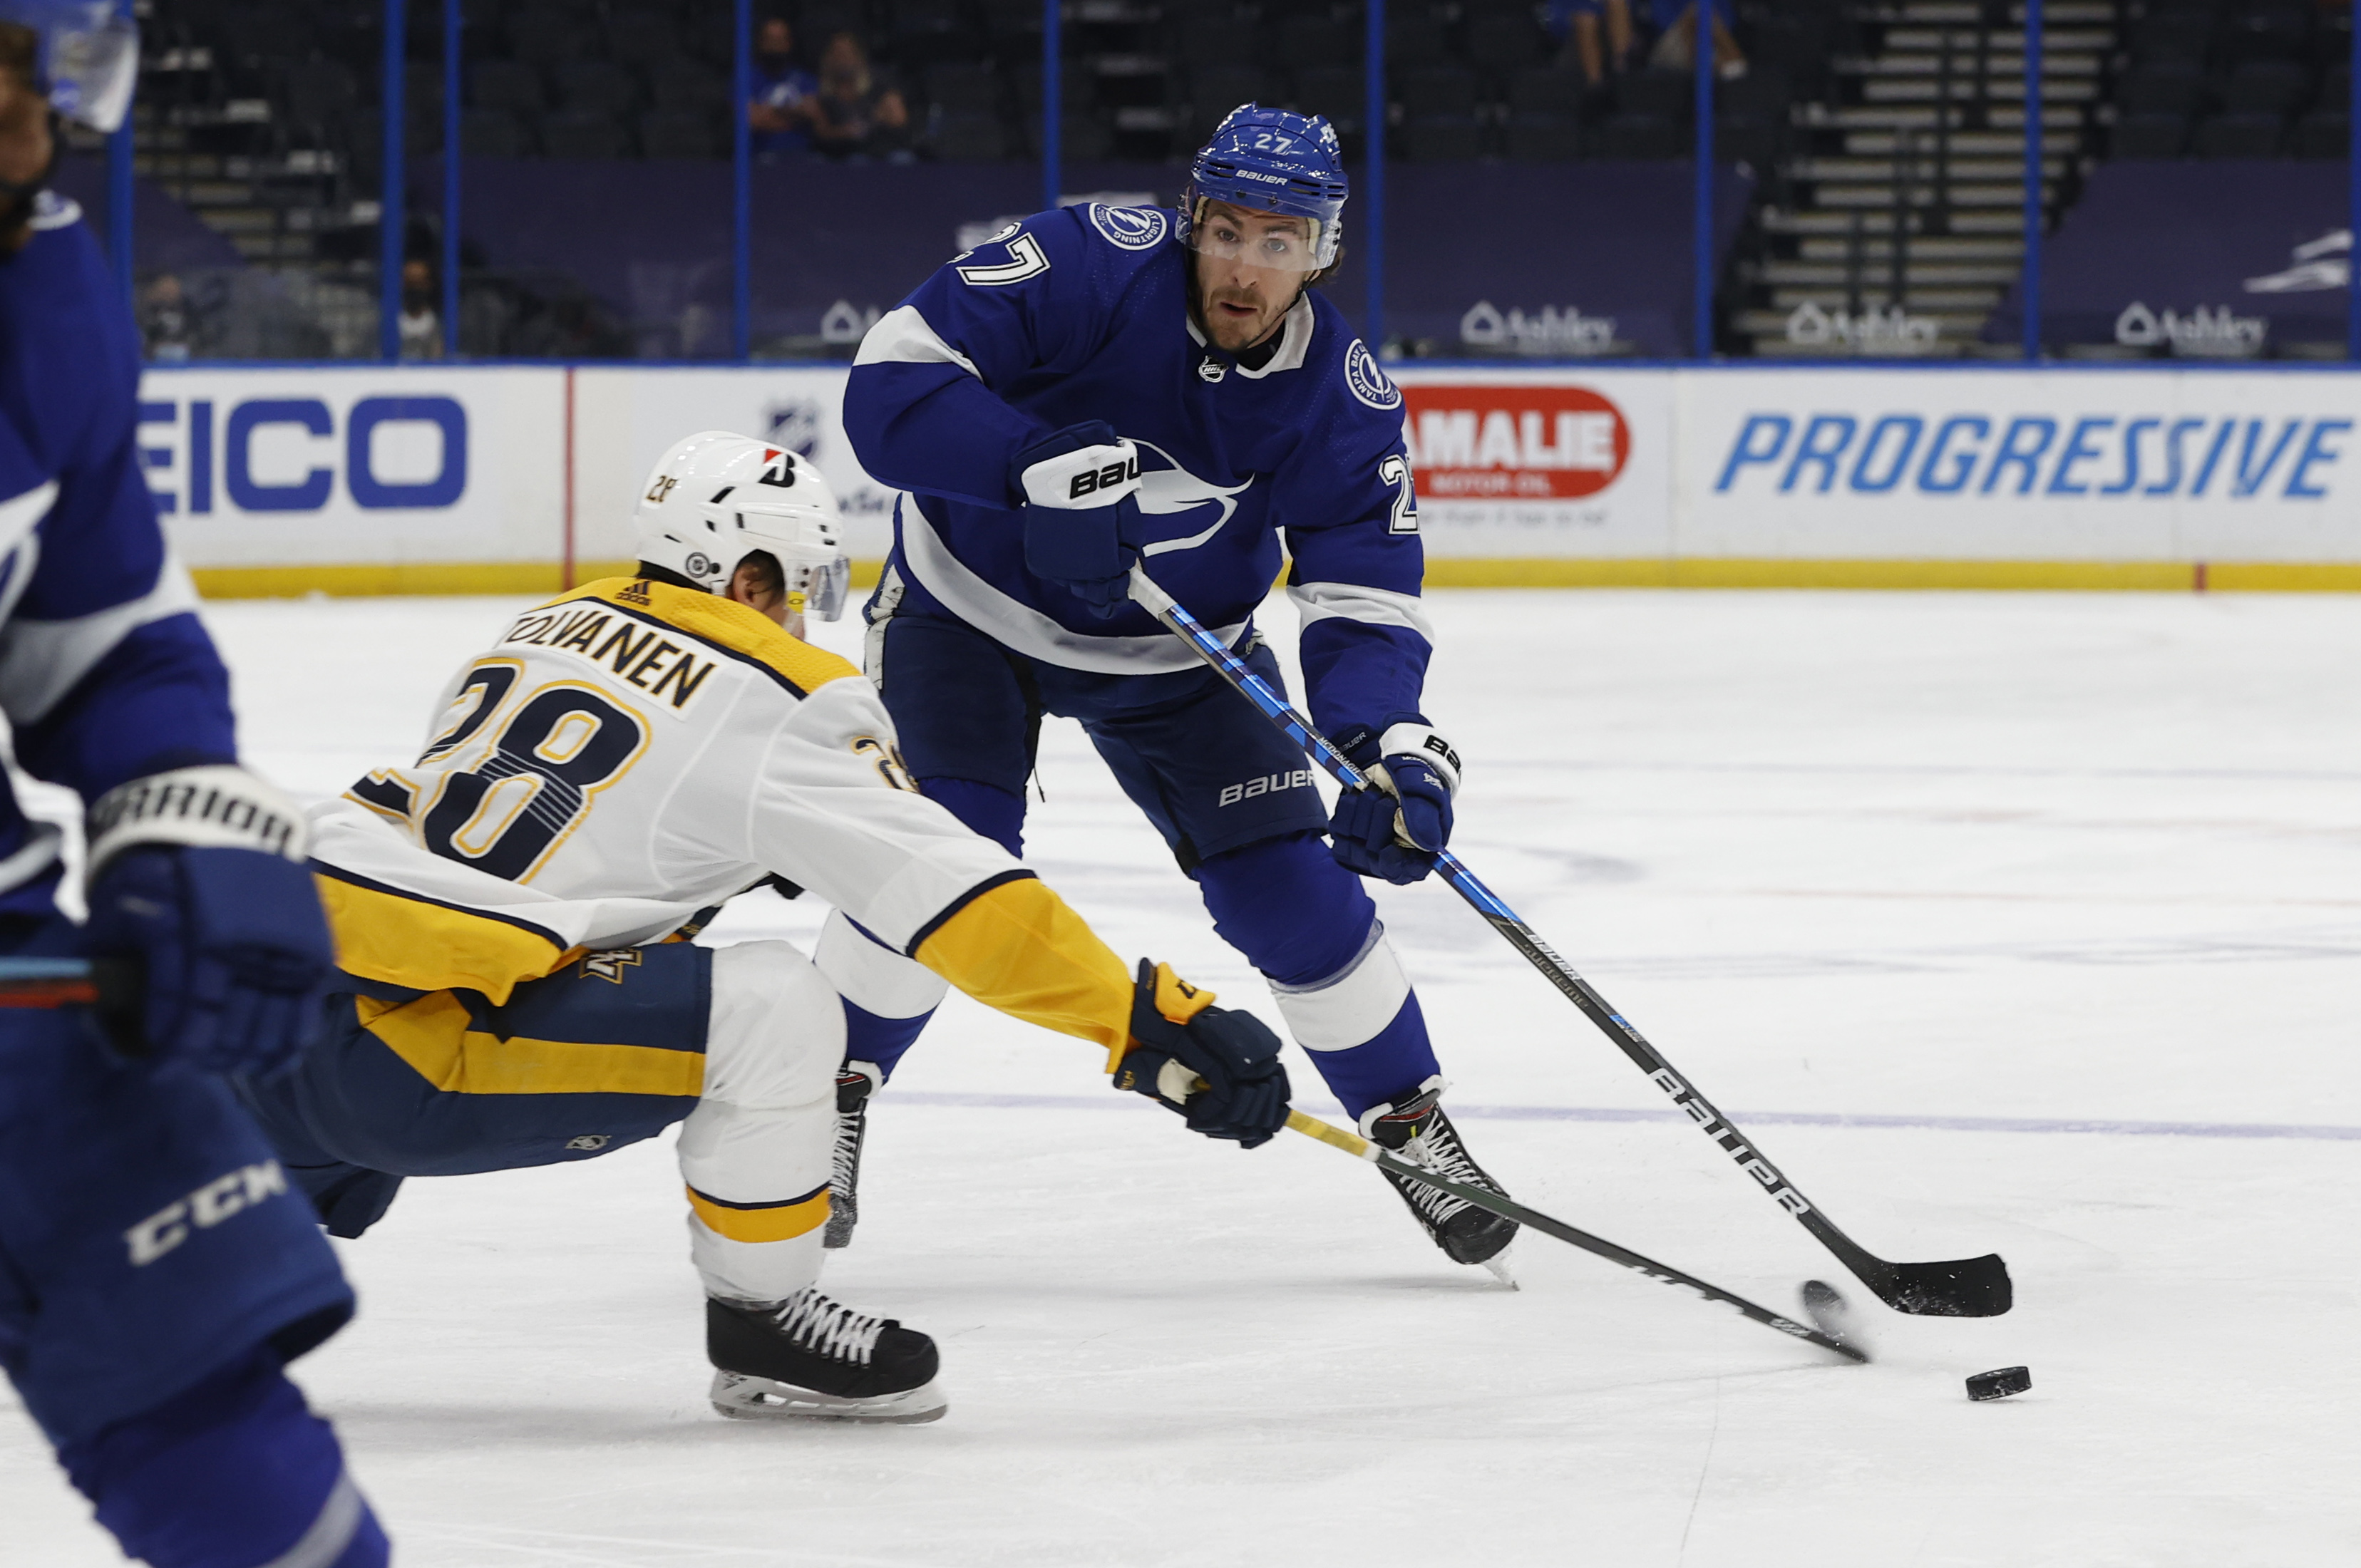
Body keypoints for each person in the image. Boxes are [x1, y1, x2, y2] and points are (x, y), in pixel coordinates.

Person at [236, 430, 1291, 1426]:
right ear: (746, 579)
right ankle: (765, 1319)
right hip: (408, 1065)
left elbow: (584, 833)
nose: (801, 617)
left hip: (273, 1021)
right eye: (795, 588)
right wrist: (1141, 1021)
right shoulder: (790, 695)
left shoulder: (545, 624)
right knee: (778, 1007)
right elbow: (961, 896)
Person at [838, 104, 1519, 1272]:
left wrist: (1385, 741)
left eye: (1279, 242)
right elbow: (889, 385)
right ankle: (823, 1097)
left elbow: (1363, 590)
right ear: (1190, 221)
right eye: (1227, 230)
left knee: (1292, 894)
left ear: (1322, 253)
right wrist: (1021, 469)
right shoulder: (1087, 260)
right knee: (945, 860)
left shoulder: (1340, 399)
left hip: (1175, 651)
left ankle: (1410, 1127)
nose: (1245, 266)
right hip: (966, 611)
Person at [0, 6, 389, 1565]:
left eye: (39, 76)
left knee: (215, 1412)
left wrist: (176, 800)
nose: (28, 126)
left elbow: (104, 629)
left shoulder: (43, 283)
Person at [805, 31, 909, 161]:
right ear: (828, 58)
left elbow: (899, 121)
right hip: (842, 154)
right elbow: (822, 134)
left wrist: (884, 116)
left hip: (880, 150)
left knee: (902, 159)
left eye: (848, 53)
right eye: (838, 53)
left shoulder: (879, 87)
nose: (843, 59)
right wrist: (845, 132)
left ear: (859, 57)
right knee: (856, 160)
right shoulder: (822, 95)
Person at [746, 14, 816, 160]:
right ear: (760, 43)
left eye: (779, 41)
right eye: (770, 40)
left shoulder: (804, 79)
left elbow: (813, 114)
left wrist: (770, 111)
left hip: (802, 159)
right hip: (759, 159)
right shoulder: (747, 79)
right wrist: (795, 114)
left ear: (789, 43)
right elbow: (752, 120)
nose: (774, 47)